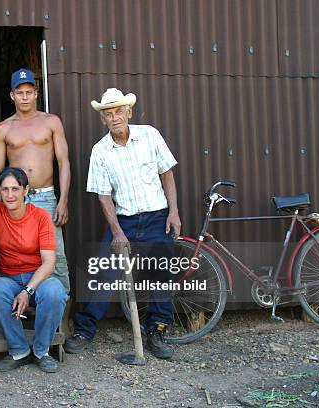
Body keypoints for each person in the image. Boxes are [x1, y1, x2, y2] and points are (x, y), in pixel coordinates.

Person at [64, 88, 182, 360]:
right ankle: (85, 330)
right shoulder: (100, 151)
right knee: (105, 274)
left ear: (129, 112)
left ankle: (158, 330)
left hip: (156, 217)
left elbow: (167, 175)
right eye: (108, 113)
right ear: (103, 119)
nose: (115, 117)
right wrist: (117, 232)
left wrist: (173, 212)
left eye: (119, 111)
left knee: (159, 277)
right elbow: (103, 196)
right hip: (124, 221)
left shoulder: (150, 135)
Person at [0, 68, 71, 293]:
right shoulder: (3, 128)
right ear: (12, 96)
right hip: (14, 198)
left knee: (56, 255)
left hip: (46, 195)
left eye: (29, 91)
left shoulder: (51, 122)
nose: (24, 97)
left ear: (36, 93)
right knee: (14, 250)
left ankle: (62, 317)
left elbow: (63, 162)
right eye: (20, 93)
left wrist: (62, 200)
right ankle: (17, 305)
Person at [0, 167, 67, 373]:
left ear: (26, 190)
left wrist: (28, 291)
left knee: (55, 292)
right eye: (5, 189)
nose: (10, 195)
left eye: (15, 188)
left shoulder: (40, 216)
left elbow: (48, 263)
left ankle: (42, 352)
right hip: (10, 279)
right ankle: (19, 350)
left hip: (38, 278)